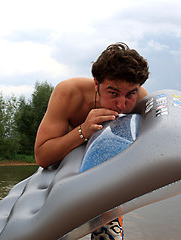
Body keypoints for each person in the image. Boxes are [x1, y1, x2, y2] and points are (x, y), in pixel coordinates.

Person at [34, 42, 149, 239]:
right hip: (60, 175)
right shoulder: (68, 93)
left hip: (104, 177)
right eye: (113, 92)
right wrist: (83, 131)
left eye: (130, 94)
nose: (122, 104)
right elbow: (42, 156)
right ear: (96, 83)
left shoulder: (140, 99)